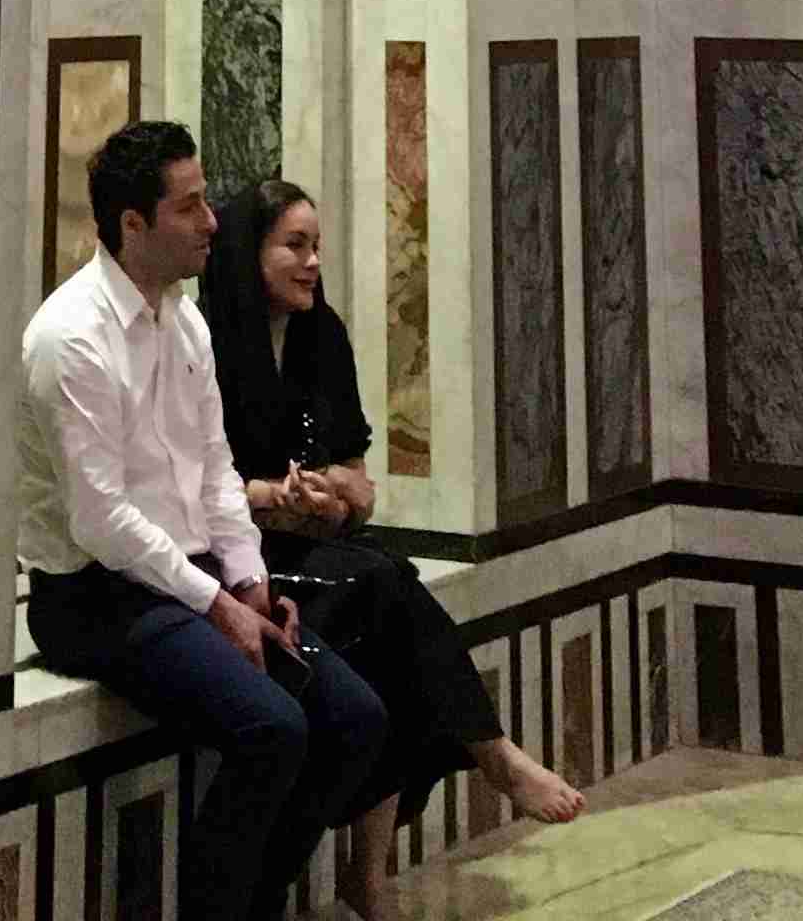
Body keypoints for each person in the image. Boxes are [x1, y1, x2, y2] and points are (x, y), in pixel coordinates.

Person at [20, 122, 389, 921]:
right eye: (189, 207)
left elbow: (217, 471)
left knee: (356, 718)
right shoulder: (70, 336)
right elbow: (101, 522)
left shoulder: (184, 321)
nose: (213, 222)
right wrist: (217, 603)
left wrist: (249, 580)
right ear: (133, 224)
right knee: (272, 727)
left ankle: (253, 907)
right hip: (94, 595)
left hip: (187, 578)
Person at [200, 180, 582, 910]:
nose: (313, 262)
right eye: (294, 246)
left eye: (316, 246)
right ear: (250, 255)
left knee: (386, 596)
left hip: (320, 544)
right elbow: (197, 486)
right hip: (239, 559)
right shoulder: (205, 342)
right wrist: (273, 496)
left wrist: (333, 494)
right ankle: (491, 757)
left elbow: (358, 477)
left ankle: (373, 869)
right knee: (386, 595)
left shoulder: (322, 335)